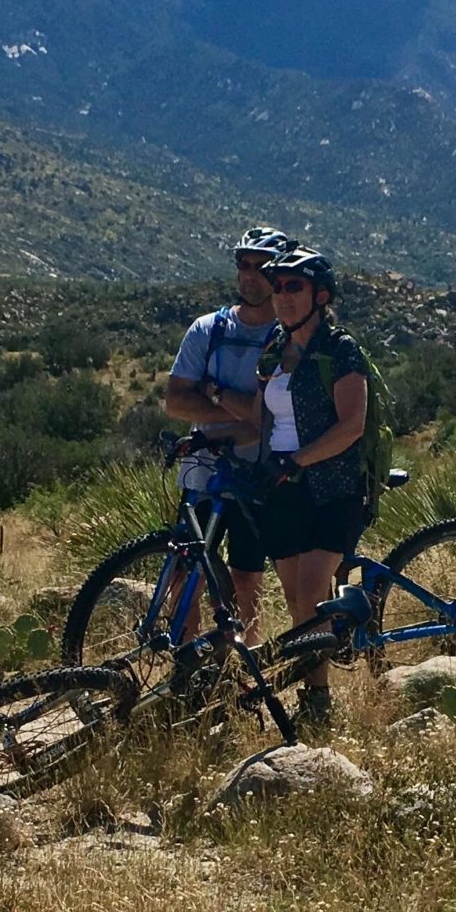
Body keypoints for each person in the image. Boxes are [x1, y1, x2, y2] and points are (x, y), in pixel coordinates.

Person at [253, 247, 371, 727]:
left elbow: (353, 425)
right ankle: (313, 684)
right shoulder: (274, 348)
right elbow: (261, 414)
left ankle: (318, 702)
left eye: (293, 287)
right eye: (277, 287)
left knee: (310, 593)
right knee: (294, 599)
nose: (282, 296)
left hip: (332, 485)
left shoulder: (339, 349)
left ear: (320, 295)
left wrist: (298, 459)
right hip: (284, 486)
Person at [163, 227, 295, 637]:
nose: (251, 275)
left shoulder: (287, 338)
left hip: (258, 470)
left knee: (246, 577)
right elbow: (175, 401)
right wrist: (241, 422)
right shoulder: (208, 329)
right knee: (185, 571)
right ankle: (187, 664)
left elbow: (272, 414)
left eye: (262, 267)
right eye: (244, 265)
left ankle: (244, 671)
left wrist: (215, 392)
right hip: (204, 466)